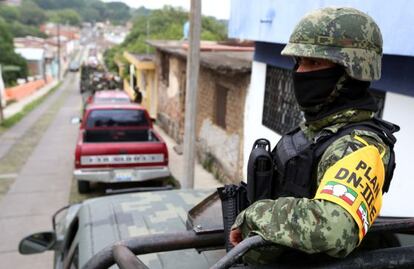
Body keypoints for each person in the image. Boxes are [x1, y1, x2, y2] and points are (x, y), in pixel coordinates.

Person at [229, 7, 399, 263]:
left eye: (314, 63)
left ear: (351, 70)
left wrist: (255, 215)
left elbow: (335, 227)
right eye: (299, 62)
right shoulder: (317, 129)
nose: (300, 73)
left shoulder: (359, 146)